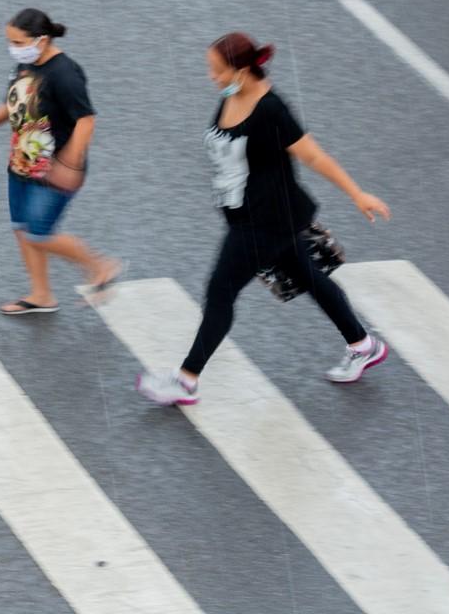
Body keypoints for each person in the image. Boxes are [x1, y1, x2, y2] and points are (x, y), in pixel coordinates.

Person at [137, 33, 393, 406]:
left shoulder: (271, 110)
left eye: (217, 70)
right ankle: (363, 344)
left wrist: (357, 194)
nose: (211, 77)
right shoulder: (231, 95)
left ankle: (186, 381)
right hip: (253, 212)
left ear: (241, 71)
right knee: (308, 275)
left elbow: (313, 156)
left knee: (220, 292)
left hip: (265, 220)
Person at [0, 8, 124, 314]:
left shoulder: (64, 73)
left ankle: (101, 265)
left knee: (40, 233)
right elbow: (11, 103)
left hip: (55, 169)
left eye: (18, 42)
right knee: (23, 229)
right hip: (23, 162)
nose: (13, 48)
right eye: (10, 42)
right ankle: (41, 295)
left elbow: (86, 120)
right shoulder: (24, 67)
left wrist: (70, 163)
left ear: (42, 40)